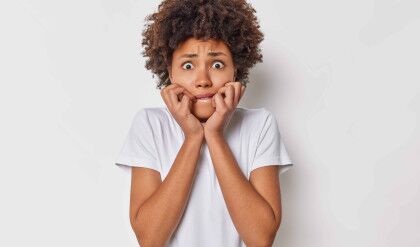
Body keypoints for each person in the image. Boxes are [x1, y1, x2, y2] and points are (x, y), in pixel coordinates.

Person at [115, 0, 294, 246]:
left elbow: (261, 239)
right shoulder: (150, 124)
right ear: (170, 71)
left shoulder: (259, 124)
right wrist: (192, 137)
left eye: (217, 64)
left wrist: (215, 135)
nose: (203, 80)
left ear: (235, 70)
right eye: (188, 65)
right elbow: (149, 239)